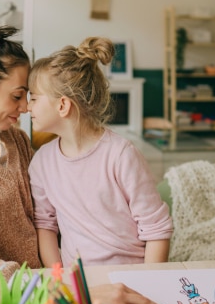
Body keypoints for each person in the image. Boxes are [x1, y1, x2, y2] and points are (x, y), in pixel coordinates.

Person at [0, 11, 167, 304]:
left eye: (29, 97)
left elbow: (61, 214)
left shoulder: (16, 141)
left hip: (61, 295)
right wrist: (64, 290)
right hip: (23, 301)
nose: (25, 107)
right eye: (17, 96)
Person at [27, 36, 173, 269]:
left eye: (33, 98)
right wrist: (59, 277)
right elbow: (45, 225)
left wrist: (149, 280)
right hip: (78, 284)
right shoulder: (42, 162)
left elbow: (156, 228)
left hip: (131, 277)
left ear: (62, 106)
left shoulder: (121, 155)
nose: (27, 107)